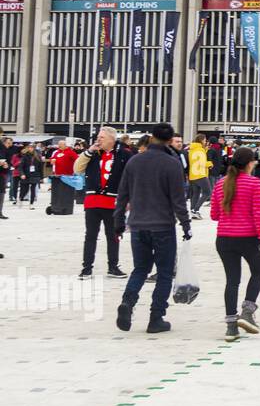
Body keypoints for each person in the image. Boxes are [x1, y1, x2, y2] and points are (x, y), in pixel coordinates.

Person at [113, 124, 192, 334]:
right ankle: (156, 317)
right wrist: (186, 224)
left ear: (152, 137)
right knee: (165, 272)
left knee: (140, 269)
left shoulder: (134, 161)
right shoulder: (171, 163)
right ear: (169, 140)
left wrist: (118, 221)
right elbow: (178, 200)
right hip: (163, 225)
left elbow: (122, 194)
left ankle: (127, 303)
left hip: (138, 225)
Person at [210, 146, 260, 342]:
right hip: (248, 237)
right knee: (259, 270)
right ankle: (248, 311)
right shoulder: (255, 183)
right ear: (249, 163)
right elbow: (258, 214)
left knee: (232, 281)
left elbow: (214, 215)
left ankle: (231, 327)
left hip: (224, 239)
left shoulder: (220, 184)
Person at [74, 127, 131, 279]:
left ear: (112, 139)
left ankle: (113, 266)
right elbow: (77, 168)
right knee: (90, 235)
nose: (98, 140)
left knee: (113, 235)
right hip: (93, 201)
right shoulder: (92, 154)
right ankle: (87, 268)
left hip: (113, 201)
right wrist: (89, 151)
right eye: (98, 137)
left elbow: (131, 177)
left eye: (102, 138)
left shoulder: (123, 154)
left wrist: (129, 199)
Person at [186, 137, 211, 218]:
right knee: (207, 192)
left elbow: (196, 160)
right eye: (204, 140)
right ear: (200, 140)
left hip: (193, 174)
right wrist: (210, 164)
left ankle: (193, 210)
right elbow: (202, 162)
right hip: (200, 174)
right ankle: (196, 210)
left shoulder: (192, 149)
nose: (205, 141)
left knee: (196, 193)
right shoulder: (200, 150)